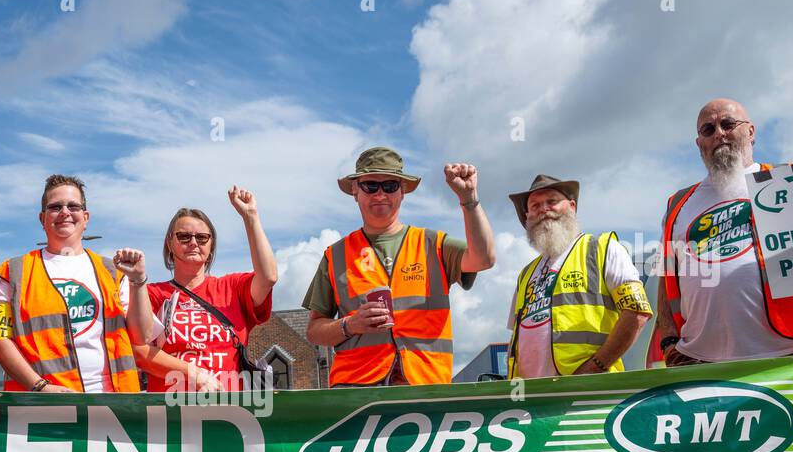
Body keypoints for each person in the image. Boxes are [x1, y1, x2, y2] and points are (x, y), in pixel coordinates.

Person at [657, 98, 793, 366]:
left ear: (750, 132)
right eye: (708, 130)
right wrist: (668, 340)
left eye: (728, 124)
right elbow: (666, 274)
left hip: (791, 354)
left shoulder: (791, 183)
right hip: (698, 359)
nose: (719, 134)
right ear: (699, 143)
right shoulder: (677, 203)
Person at [302, 146, 495, 386]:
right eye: (370, 185)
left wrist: (469, 200)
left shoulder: (433, 244)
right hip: (356, 392)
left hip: (425, 387)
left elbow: (484, 258)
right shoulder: (335, 256)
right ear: (355, 191)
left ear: (402, 191)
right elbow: (314, 330)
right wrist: (349, 324)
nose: (380, 194)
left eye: (390, 186)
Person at [0, 174, 152, 393]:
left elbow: (143, 337)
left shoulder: (114, 271)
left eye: (73, 206)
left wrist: (138, 281)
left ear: (85, 217)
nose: (65, 212)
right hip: (44, 406)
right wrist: (40, 387)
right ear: (42, 218)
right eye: (55, 207)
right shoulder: (14, 271)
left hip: (114, 403)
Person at [506, 174, 651, 378]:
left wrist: (595, 367)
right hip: (532, 398)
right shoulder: (526, 274)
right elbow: (517, 338)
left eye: (552, 201)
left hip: (588, 393)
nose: (544, 210)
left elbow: (636, 312)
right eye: (535, 205)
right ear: (527, 215)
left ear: (572, 206)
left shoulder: (602, 249)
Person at [136, 186, 277, 392]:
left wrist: (250, 217)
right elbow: (139, 351)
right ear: (170, 243)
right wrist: (193, 374)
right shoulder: (151, 294)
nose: (193, 242)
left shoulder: (232, 288)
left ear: (211, 246)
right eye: (184, 237)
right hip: (169, 411)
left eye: (202, 238)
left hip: (228, 408)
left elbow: (268, 277)